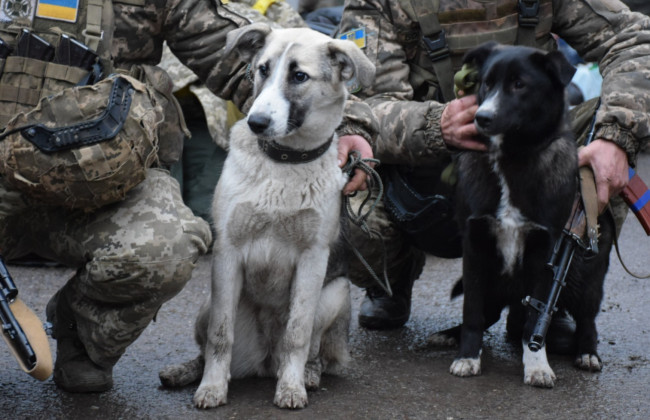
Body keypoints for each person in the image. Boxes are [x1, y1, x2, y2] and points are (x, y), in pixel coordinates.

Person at [0, 0, 373, 393]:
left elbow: (248, 57)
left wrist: (351, 124)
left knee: (166, 245)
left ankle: (81, 337)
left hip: (104, 180)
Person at [336, 0, 650, 333]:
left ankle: (547, 296)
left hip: (536, 167)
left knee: (604, 155)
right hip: (424, 183)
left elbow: (636, 41)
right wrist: (433, 124)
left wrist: (616, 135)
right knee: (348, 183)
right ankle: (389, 281)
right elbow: (356, 105)